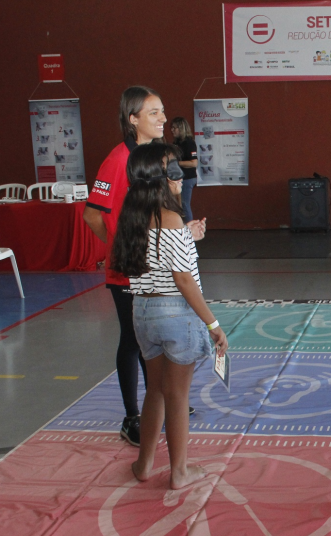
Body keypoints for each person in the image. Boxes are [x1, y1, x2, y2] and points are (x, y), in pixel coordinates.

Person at [110, 143, 228, 490]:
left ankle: (144, 464)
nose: (180, 175)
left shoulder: (134, 216)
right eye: (172, 168)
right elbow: (184, 279)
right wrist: (213, 323)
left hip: (143, 312)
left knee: (156, 392)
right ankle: (179, 471)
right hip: (175, 312)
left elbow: (159, 257)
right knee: (178, 396)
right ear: (158, 178)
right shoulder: (171, 217)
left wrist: (187, 236)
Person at [84, 86, 167, 446]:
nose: (163, 118)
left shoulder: (156, 157)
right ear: (133, 119)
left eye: (163, 111)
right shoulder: (117, 160)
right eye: (154, 113)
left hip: (156, 267)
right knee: (132, 340)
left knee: (154, 336)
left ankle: (157, 404)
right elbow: (92, 215)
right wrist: (121, 248)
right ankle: (132, 416)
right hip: (127, 270)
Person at [169, 117, 199, 221]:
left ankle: (189, 233)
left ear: (181, 128)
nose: (172, 130)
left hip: (187, 178)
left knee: (185, 204)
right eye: (171, 128)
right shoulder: (176, 143)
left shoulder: (189, 143)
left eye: (174, 128)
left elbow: (194, 163)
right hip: (180, 178)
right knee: (180, 205)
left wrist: (176, 163)